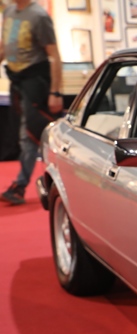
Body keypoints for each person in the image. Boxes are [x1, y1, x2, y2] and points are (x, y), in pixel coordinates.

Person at [0, 0, 63, 206]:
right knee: (24, 134)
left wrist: (55, 92)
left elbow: (54, 56)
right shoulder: (9, 12)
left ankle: (21, 186)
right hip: (17, 81)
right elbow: (4, 46)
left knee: (30, 135)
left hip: (36, 82)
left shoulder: (39, 16)